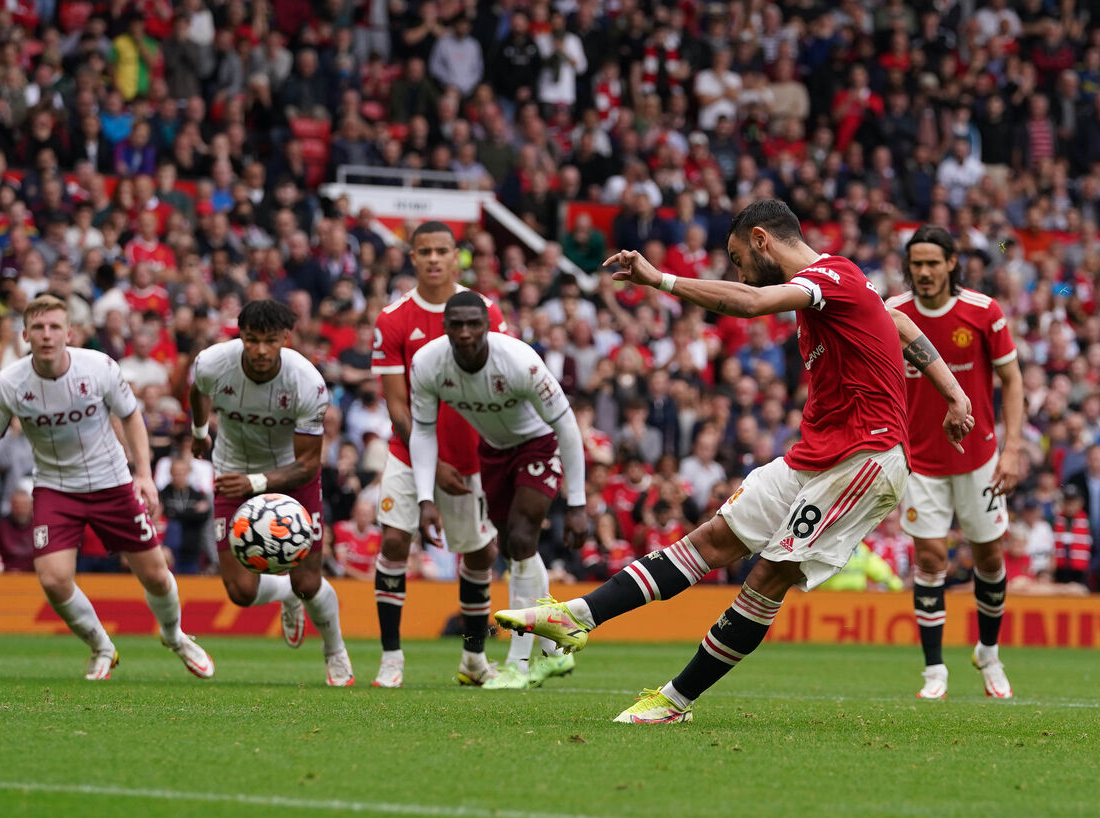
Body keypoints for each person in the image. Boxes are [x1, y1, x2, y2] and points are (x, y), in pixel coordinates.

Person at [495, 199, 974, 723]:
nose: (738, 268)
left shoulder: (828, 276)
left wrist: (660, 280)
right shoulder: (843, 284)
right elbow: (900, 325)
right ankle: (576, 617)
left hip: (866, 456)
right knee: (712, 539)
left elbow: (748, 303)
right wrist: (955, 394)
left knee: (768, 576)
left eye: (737, 255)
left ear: (762, 239)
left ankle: (674, 701)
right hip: (815, 455)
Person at [0, 295, 214, 680]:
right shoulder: (10, 383)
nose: (47, 335)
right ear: (25, 334)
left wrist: (143, 473)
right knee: (54, 579)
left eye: (55, 327)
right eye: (39, 328)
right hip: (56, 488)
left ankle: (175, 636)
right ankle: (101, 647)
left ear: (69, 333)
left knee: (157, 576)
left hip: (112, 482)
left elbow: (131, 416)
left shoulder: (98, 367)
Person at [410, 290, 589, 690]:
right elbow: (422, 430)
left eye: (474, 324)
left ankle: (517, 666)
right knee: (513, 550)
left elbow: (566, 425)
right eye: (456, 324)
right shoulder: (427, 364)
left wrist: (577, 502)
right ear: (444, 328)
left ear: (488, 327)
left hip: (538, 442)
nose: (465, 332)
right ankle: (556, 645)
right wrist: (424, 498)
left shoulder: (520, 361)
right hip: (491, 451)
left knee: (524, 539)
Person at [886, 225, 1024, 700]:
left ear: (951, 264)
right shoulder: (893, 314)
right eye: (916, 264)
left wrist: (1013, 448)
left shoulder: (984, 312)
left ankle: (988, 652)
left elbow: (1012, 379)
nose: (923, 272)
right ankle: (934, 670)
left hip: (980, 459)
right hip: (919, 461)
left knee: (988, 556)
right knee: (929, 559)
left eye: (932, 263)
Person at [369, 221, 506, 688]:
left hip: (471, 458)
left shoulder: (486, 311)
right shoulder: (392, 319)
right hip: (409, 454)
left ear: (456, 256)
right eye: (423, 250)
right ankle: (391, 657)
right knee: (392, 542)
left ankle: (473, 658)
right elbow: (396, 404)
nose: (432, 258)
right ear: (411, 257)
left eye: (441, 250)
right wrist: (431, 464)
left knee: (480, 554)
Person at [189, 298, 354, 686]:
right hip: (232, 473)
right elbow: (197, 391)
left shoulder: (307, 383)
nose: (260, 350)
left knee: (309, 582)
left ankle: (335, 651)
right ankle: (285, 593)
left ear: (285, 338)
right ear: (240, 336)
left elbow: (310, 463)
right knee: (241, 592)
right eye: (251, 340)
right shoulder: (212, 363)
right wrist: (199, 432)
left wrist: (256, 483)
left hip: (291, 477)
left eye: (269, 341)